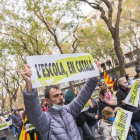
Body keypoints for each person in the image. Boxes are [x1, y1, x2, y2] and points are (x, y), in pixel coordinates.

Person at [21, 60, 101, 140]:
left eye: (61, 94)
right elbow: (33, 112)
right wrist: (29, 85)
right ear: (47, 101)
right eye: (56, 96)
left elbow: (83, 95)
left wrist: (94, 77)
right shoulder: (46, 121)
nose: (61, 98)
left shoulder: (69, 110)